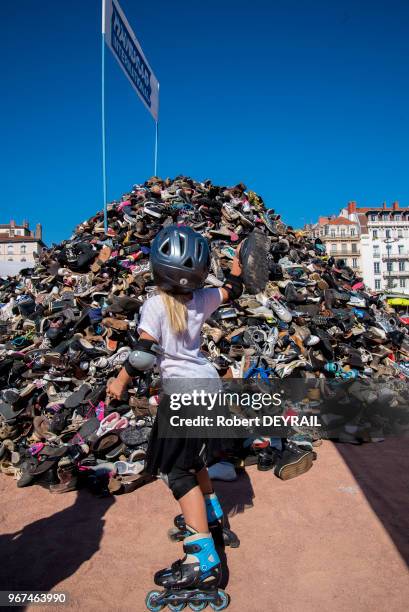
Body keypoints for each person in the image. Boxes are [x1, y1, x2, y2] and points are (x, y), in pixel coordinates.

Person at [107, 224, 244, 608]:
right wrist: (236, 269)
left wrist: (119, 381)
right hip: (209, 387)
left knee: (178, 472)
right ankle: (212, 516)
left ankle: (201, 561)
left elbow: (143, 356)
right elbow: (235, 291)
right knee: (194, 460)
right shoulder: (203, 298)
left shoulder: (154, 305)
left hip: (184, 393)